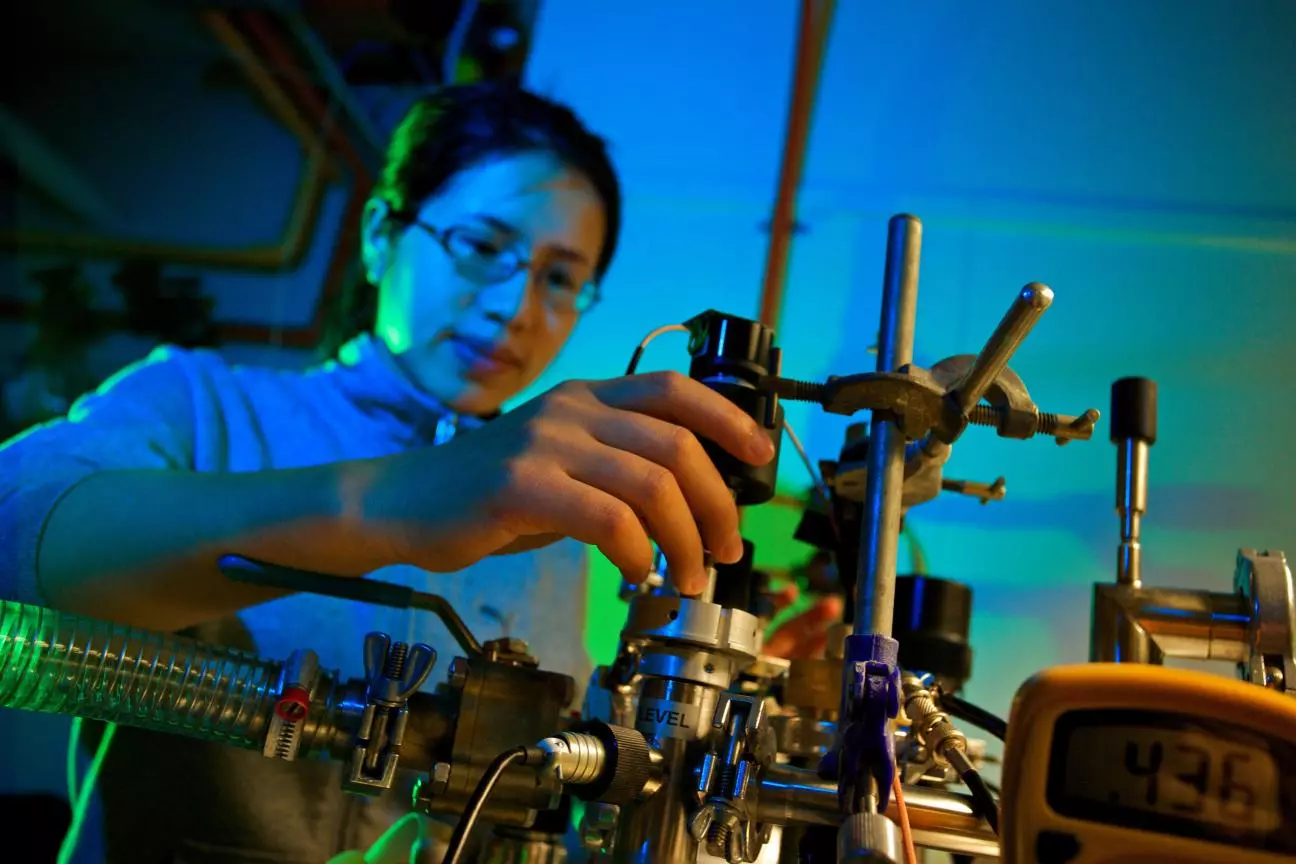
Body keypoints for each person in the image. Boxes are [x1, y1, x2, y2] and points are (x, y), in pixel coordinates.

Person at [0, 81, 841, 863]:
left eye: (559, 278)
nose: (514, 308)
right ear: (380, 235)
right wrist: (394, 499)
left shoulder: (554, 518)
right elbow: (14, 542)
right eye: (481, 245)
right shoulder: (202, 403)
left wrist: (722, 707)